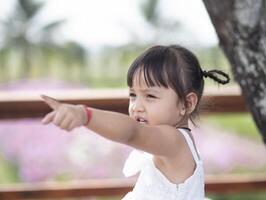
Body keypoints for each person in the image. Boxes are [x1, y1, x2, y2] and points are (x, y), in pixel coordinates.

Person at [41, 45, 230, 200]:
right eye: (133, 95)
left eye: (150, 96)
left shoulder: (174, 141)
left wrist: (85, 115)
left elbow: (132, 132)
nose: (136, 106)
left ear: (186, 104)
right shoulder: (170, 142)